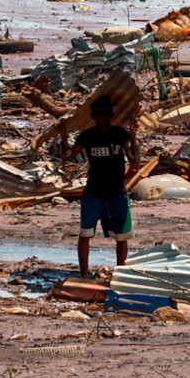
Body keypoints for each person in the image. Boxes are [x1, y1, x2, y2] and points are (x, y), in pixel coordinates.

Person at [56, 96, 139, 278]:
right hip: (94, 191)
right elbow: (69, 157)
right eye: (98, 113)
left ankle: (120, 275)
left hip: (117, 192)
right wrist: (63, 135)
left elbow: (133, 158)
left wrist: (133, 134)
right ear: (92, 115)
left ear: (111, 114)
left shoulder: (120, 134)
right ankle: (84, 274)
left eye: (104, 112)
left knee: (122, 236)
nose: (101, 116)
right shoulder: (87, 136)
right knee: (85, 233)